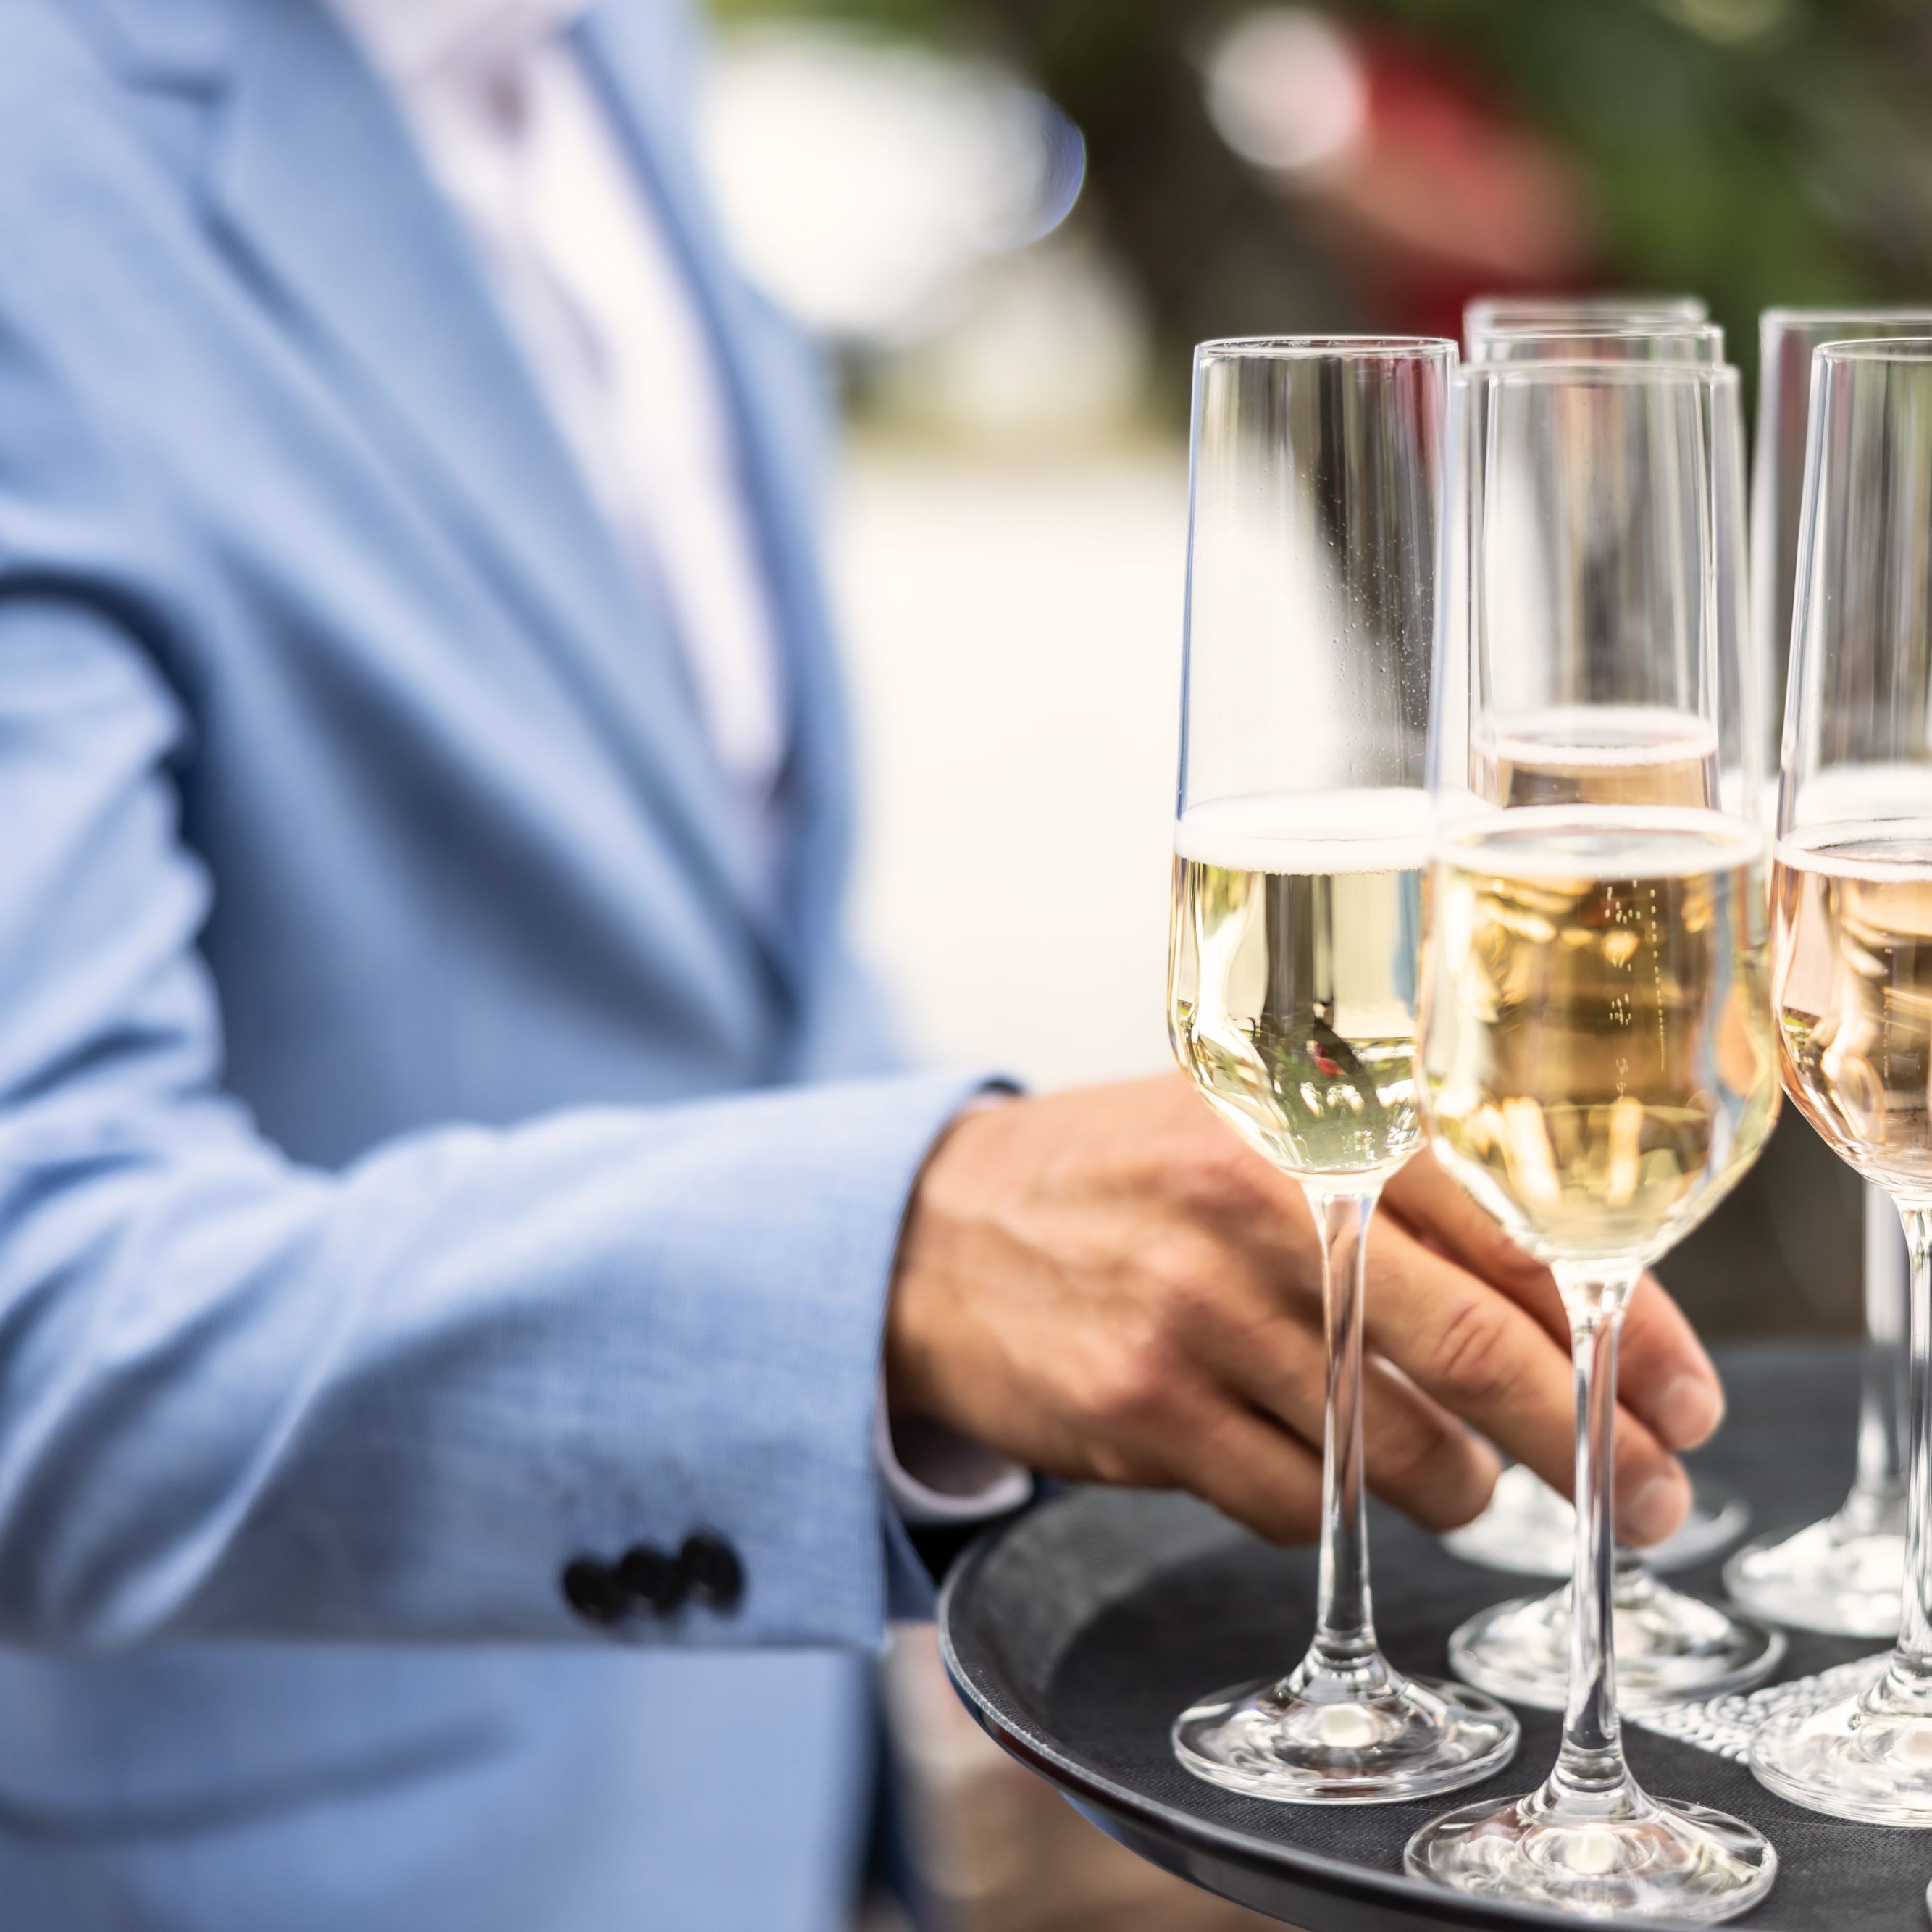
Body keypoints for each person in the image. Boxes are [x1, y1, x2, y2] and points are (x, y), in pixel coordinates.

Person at [0, 1, 1726, 1926]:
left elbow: (725, 960)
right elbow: (32, 1306)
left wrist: (996, 1547)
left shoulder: (609, 54)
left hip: (793, 1812)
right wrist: (883, 1263)